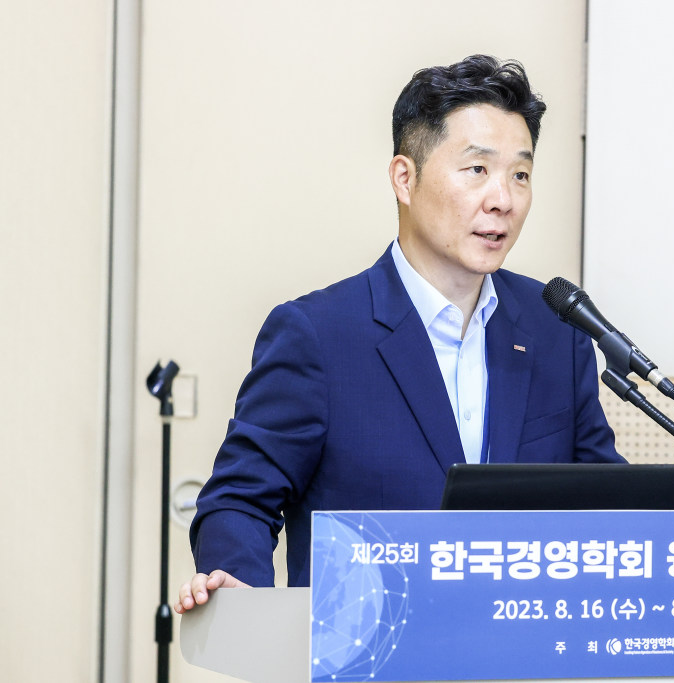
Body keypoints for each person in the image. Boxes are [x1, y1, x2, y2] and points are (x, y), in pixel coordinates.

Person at [175, 54, 623, 614]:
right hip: (371, 646)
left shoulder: (556, 329)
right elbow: (240, 499)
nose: (503, 199)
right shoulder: (318, 336)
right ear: (404, 179)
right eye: (477, 170)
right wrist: (241, 595)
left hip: (519, 646)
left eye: (520, 175)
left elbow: (607, 506)